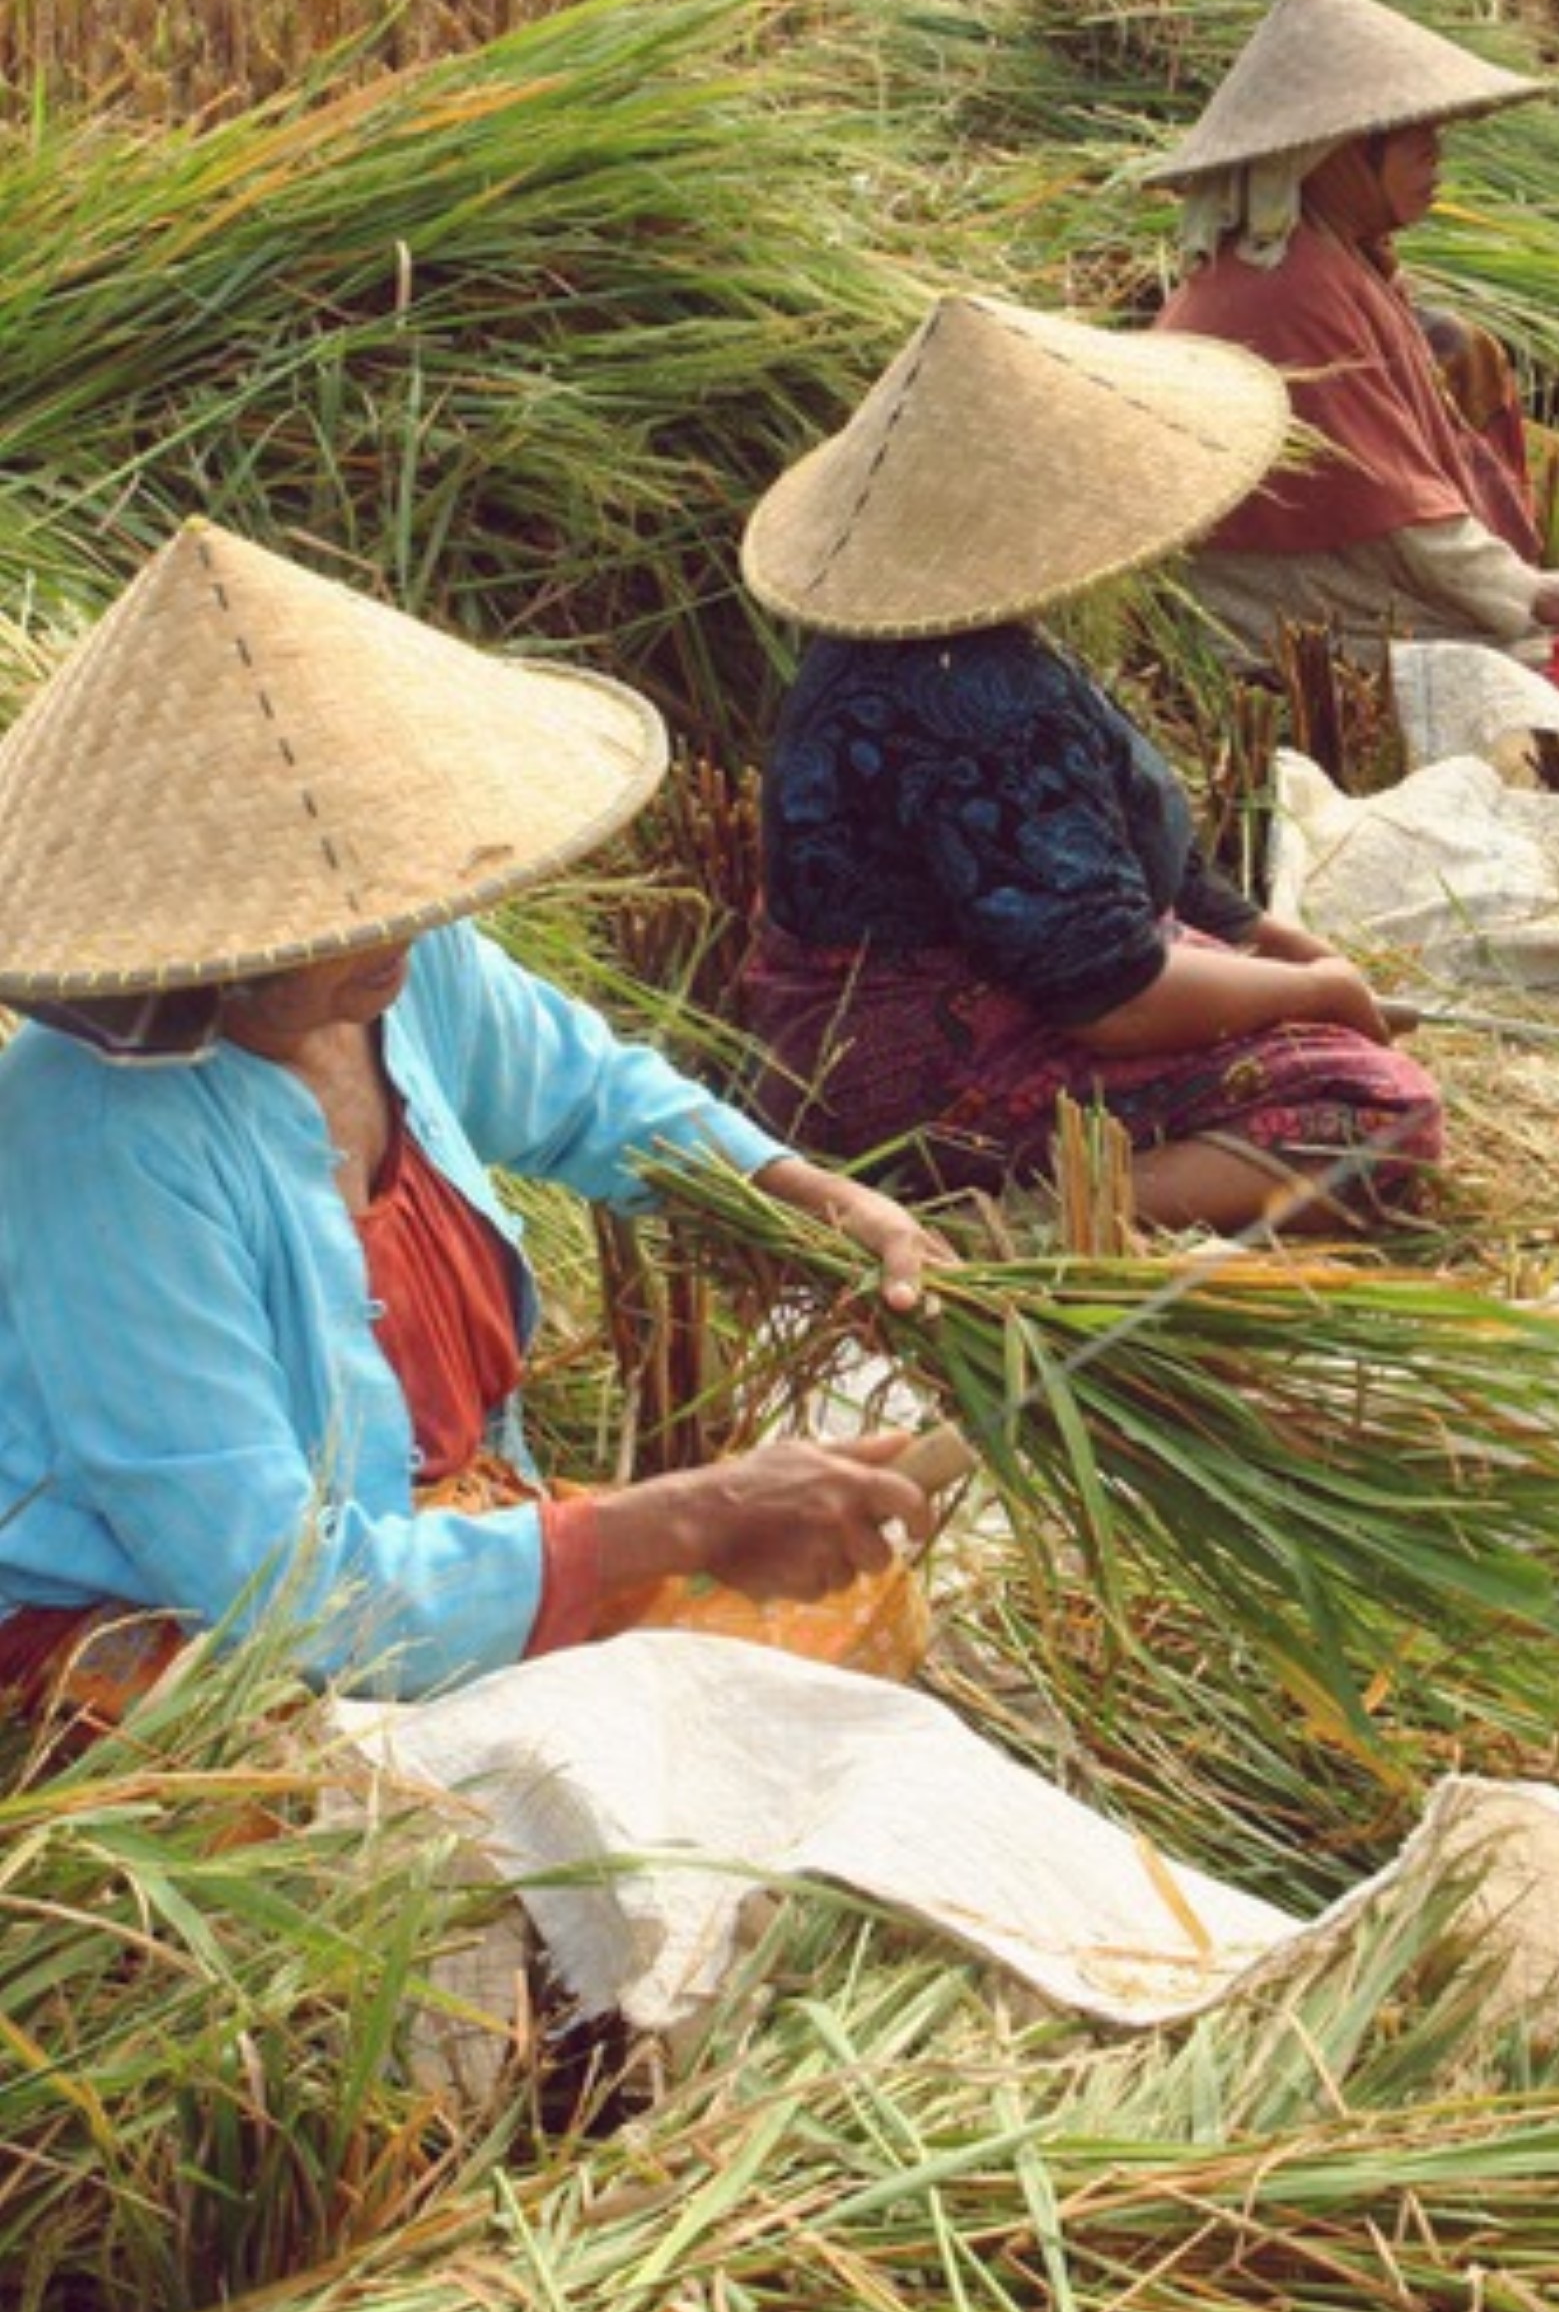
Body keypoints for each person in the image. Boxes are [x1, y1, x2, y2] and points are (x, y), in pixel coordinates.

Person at [0, 520, 950, 1722]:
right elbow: (275, 1589)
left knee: (833, 1620)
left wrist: (806, 1196)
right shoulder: (102, 1133)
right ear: (205, 936)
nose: (397, 927)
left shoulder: (394, 964)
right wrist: (682, 1515)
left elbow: (595, 1098)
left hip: (433, 1539)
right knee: (433, 1825)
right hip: (189, 1620)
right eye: (335, 914)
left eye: (392, 884)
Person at [739, 292, 1444, 1237]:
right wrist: (1320, 994)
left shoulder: (929, 641)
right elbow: (1110, 998)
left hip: (904, 1005)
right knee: (1378, 1109)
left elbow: (1136, 884)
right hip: (913, 1076)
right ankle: (1014, 1223)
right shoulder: (973, 695)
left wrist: (1280, 947)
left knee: (1272, 1014)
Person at [1148, 0, 1559, 667]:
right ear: (1342, 154)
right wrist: (1526, 593)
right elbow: (1389, 509)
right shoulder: (1289, 290)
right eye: (1416, 140)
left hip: (1320, 565)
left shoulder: (1333, 255)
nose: (1436, 158)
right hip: (1260, 602)